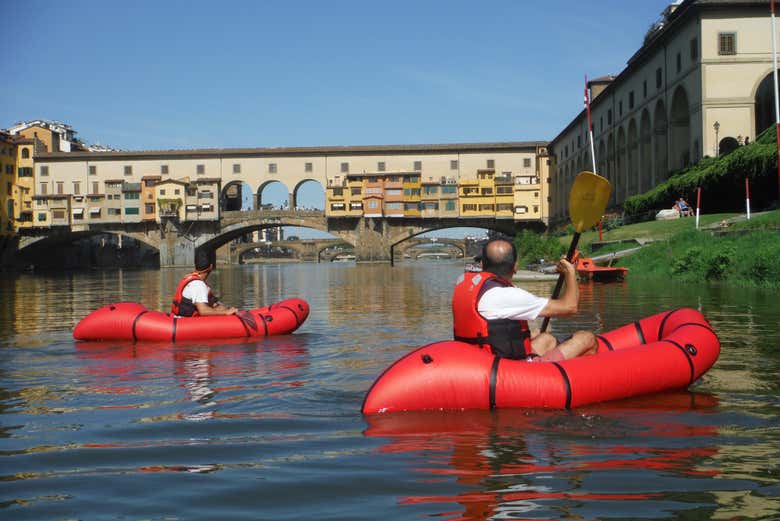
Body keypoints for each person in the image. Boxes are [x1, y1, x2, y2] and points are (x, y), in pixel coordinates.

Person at [452, 239, 597, 362]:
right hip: (509, 372)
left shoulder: (471, 288)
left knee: (546, 338)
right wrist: (570, 272)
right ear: (515, 266)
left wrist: (529, 335)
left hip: (479, 362)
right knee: (587, 338)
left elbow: (494, 332)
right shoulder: (509, 295)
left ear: (482, 265)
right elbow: (570, 307)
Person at [171, 251, 238, 317]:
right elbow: (203, 311)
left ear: (196, 265)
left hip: (180, 317)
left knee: (220, 308)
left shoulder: (191, 277)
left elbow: (211, 304)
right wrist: (226, 312)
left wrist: (221, 308)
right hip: (186, 321)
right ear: (211, 266)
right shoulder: (199, 285)